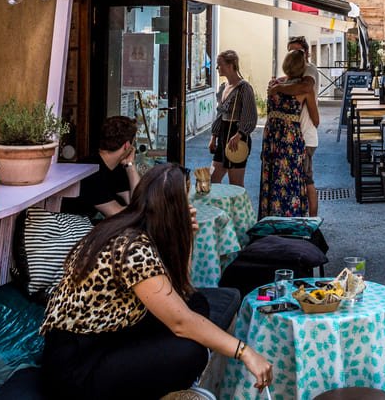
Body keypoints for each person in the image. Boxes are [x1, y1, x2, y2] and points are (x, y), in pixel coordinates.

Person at [40, 164, 273, 398]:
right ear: (172, 209)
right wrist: (244, 352)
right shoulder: (132, 248)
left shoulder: (131, 227)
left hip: (111, 331)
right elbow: (181, 322)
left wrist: (186, 237)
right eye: (186, 202)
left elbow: (180, 288)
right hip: (79, 363)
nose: (190, 208)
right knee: (191, 351)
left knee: (196, 302)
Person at [259, 49, 317, 219]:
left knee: (271, 177)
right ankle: (292, 219)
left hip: (271, 137)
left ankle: (270, 218)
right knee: (292, 180)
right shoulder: (304, 90)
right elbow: (316, 119)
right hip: (290, 139)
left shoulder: (274, 85)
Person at [62, 115, 141, 218]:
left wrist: (130, 165)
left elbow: (138, 201)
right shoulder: (90, 170)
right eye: (133, 143)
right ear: (127, 145)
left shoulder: (117, 167)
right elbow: (117, 214)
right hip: (71, 228)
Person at [208, 50, 258, 188]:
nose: (218, 68)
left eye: (220, 65)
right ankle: (218, 209)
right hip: (223, 135)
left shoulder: (244, 88)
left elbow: (250, 116)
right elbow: (219, 115)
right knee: (213, 179)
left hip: (237, 136)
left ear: (230, 65)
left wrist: (240, 134)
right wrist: (214, 136)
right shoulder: (224, 87)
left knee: (235, 184)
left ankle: (239, 209)